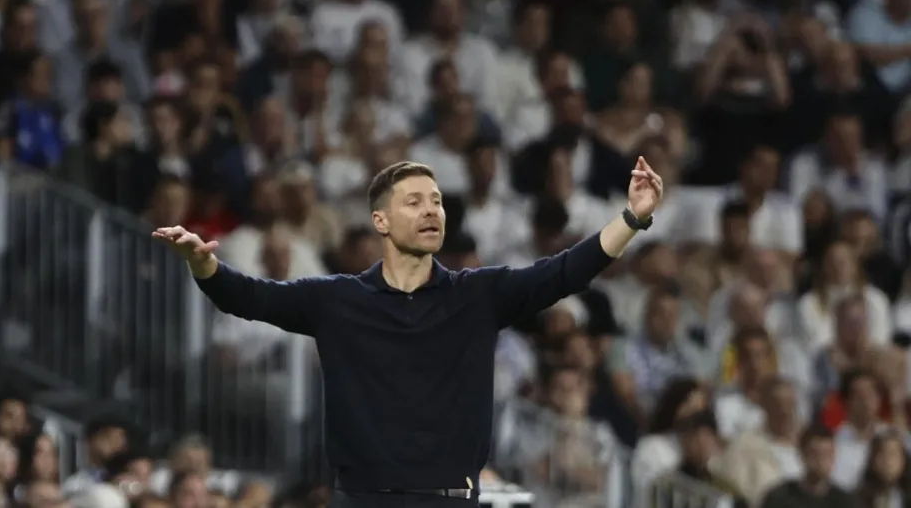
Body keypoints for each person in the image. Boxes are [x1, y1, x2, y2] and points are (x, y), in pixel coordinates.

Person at [153, 156, 663, 507]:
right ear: (380, 219)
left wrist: (631, 218)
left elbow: (566, 270)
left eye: (437, 201)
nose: (431, 211)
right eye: (415, 201)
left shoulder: (478, 295)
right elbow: (248, 297)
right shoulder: (337, 300)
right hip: (361, 501)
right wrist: (203, 265)